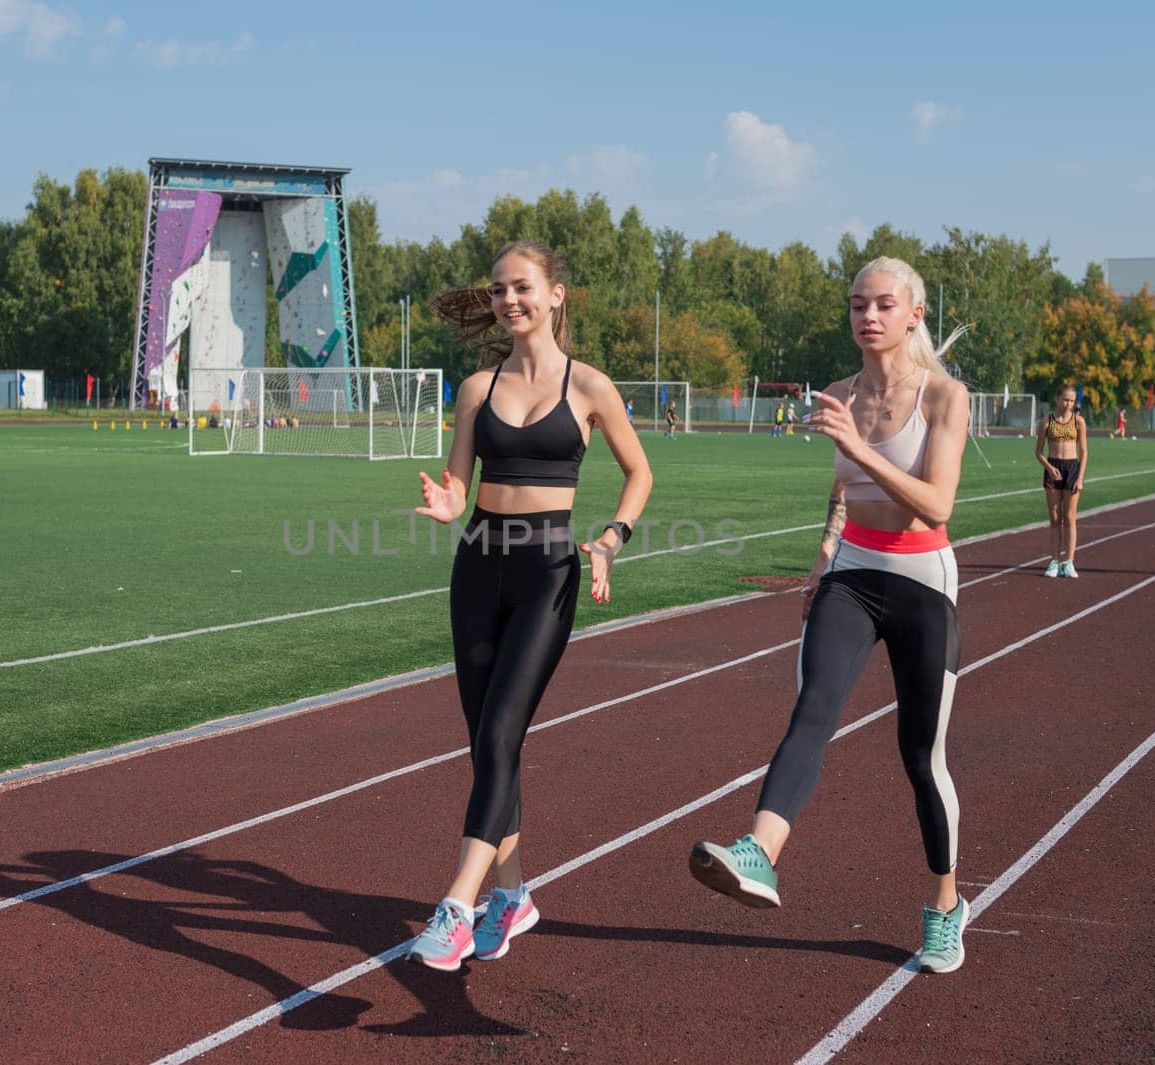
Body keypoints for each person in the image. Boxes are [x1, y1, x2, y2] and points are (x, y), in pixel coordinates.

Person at [688, 256, 974, 974]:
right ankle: (760, 852)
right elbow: (843, 488)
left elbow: (935, 504)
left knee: (920, 757)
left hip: (922, 578)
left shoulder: (945, 395)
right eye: (856, 305)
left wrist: (856, 447)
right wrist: (824, 550)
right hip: (853, 570)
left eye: (882, 304)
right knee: (813, 709)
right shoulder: (843, 392)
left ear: (914, 313)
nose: (867, 317)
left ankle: (945, 903)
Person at [409, 241, 652, 970]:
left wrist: (610, 539)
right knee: (488, 744)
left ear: (555, 296)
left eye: (522, 287)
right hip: (478, 568)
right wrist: (447, 502)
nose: (508, 300)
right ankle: (513, 895)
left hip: (549, 570)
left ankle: (458, 902)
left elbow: (639, 472)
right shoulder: (476, 389)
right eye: (497, 291)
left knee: (504, 729)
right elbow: (458, 485)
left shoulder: (592, 388)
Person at [1035, 383, 1087, 577]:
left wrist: (1080, 477)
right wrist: (1049, 468)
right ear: (1057, 398)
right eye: (1065, 399)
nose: (1068, 404)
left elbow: (1084, 452)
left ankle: (1069, 562)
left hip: (1072, 468)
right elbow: (1038, 452)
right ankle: (1055, 561)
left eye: (1072, 401)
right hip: (1053, 468)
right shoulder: (1047, 422)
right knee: (1055, 518)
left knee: (1070, 518)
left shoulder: (1078, 422)